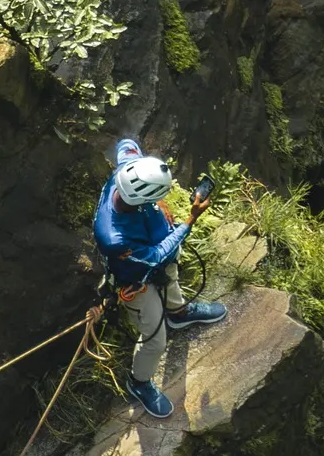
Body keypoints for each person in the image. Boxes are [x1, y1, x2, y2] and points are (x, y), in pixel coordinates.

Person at [93, 138, 226, 418]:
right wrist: (190, 220)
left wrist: (159, 201)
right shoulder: (114, 237)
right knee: (154, 339)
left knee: (170, 277)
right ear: (140, 200)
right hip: (135, 281)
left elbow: (126, 143)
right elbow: (154, 255)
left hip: (156, 245)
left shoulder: (129, 170)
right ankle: (139, 383)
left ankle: (179, 313)